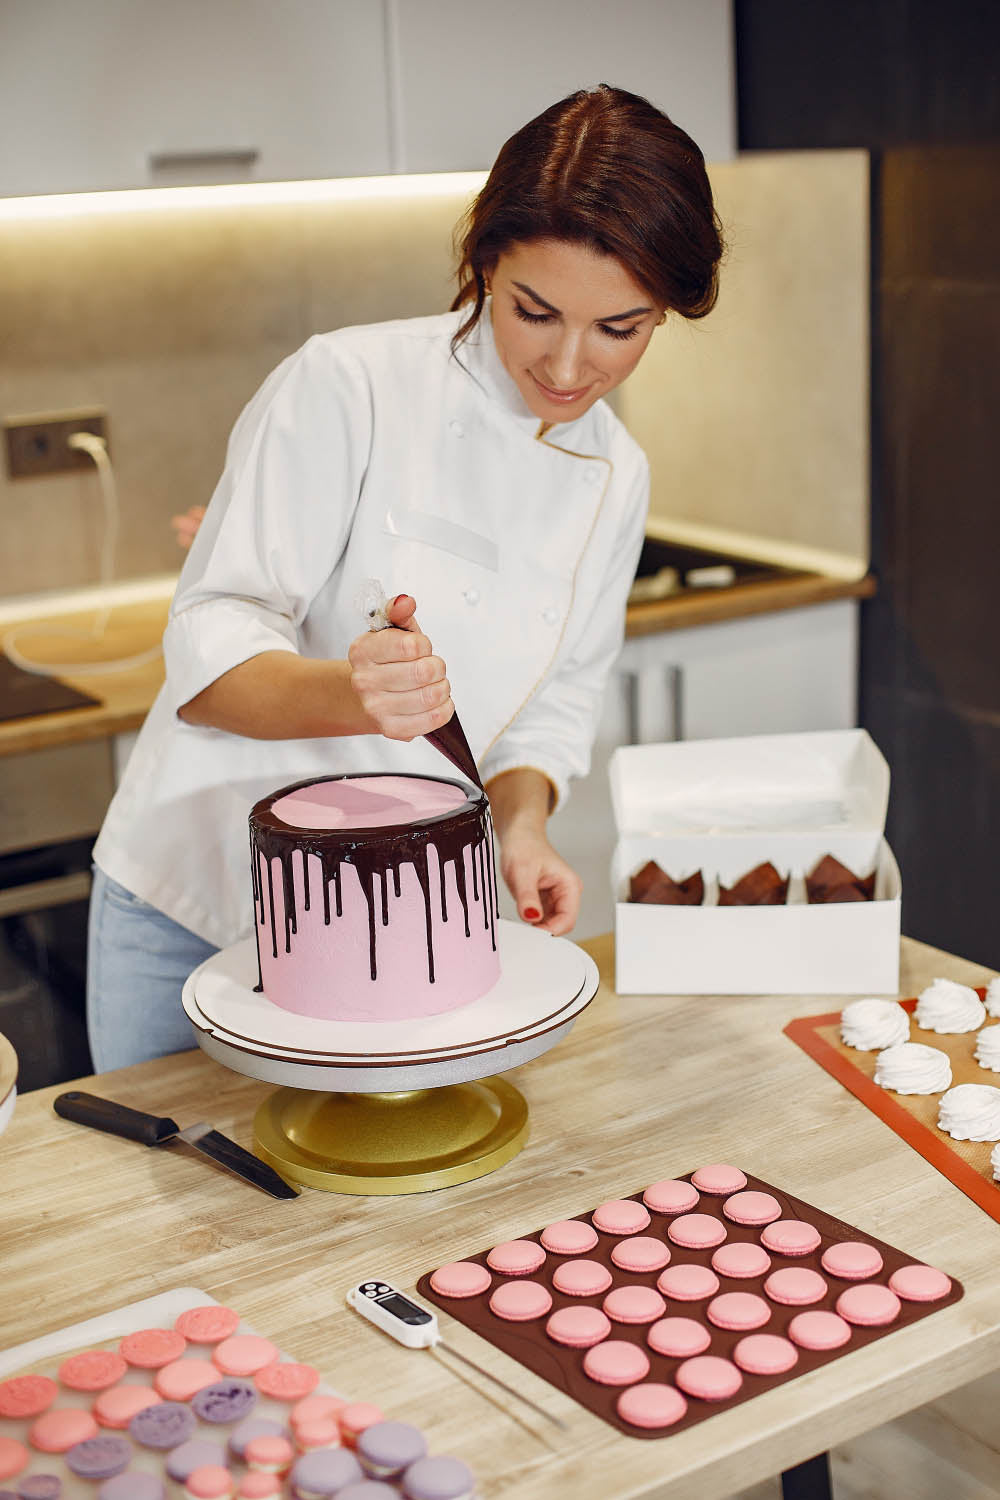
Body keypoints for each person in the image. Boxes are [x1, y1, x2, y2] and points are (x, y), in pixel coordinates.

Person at [88, 84, 724, 1071]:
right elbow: (206, 665)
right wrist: (352, 691)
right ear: (481, 263)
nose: (566, 364)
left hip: (408, 921)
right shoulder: (349, 385)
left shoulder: (615, 474)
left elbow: (556, 704)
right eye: (534, 310)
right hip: (203, 910)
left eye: (620, 329)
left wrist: (521, 828)